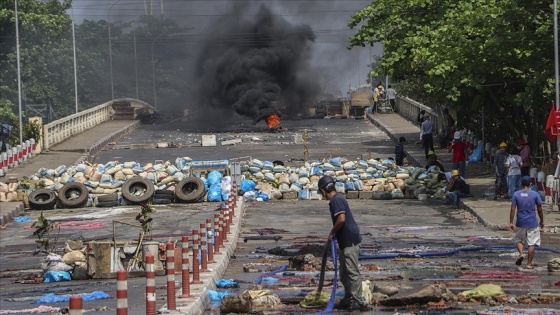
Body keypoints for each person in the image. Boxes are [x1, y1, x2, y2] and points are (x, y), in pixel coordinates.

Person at [317, 176, 364, 311]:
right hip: (344, 241)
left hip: (350, 240)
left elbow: (341, 219)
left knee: (352, 272)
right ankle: (349, 297)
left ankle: (356, 300)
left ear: (323, 190)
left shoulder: (336, 200)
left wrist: (332, 232)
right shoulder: (337, 199)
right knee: (344, 273)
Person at [509, 176, 544, 269]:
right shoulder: (535, 194)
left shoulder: (516, 194)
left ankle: (521, 254)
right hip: (532, 221)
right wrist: (542, 220)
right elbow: (540, 209)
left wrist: (511, 222)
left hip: (520, 221)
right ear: (530, 184)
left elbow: (512, 209)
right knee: (531, 243)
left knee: (519, 240)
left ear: (521, 184)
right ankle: (529, 263)